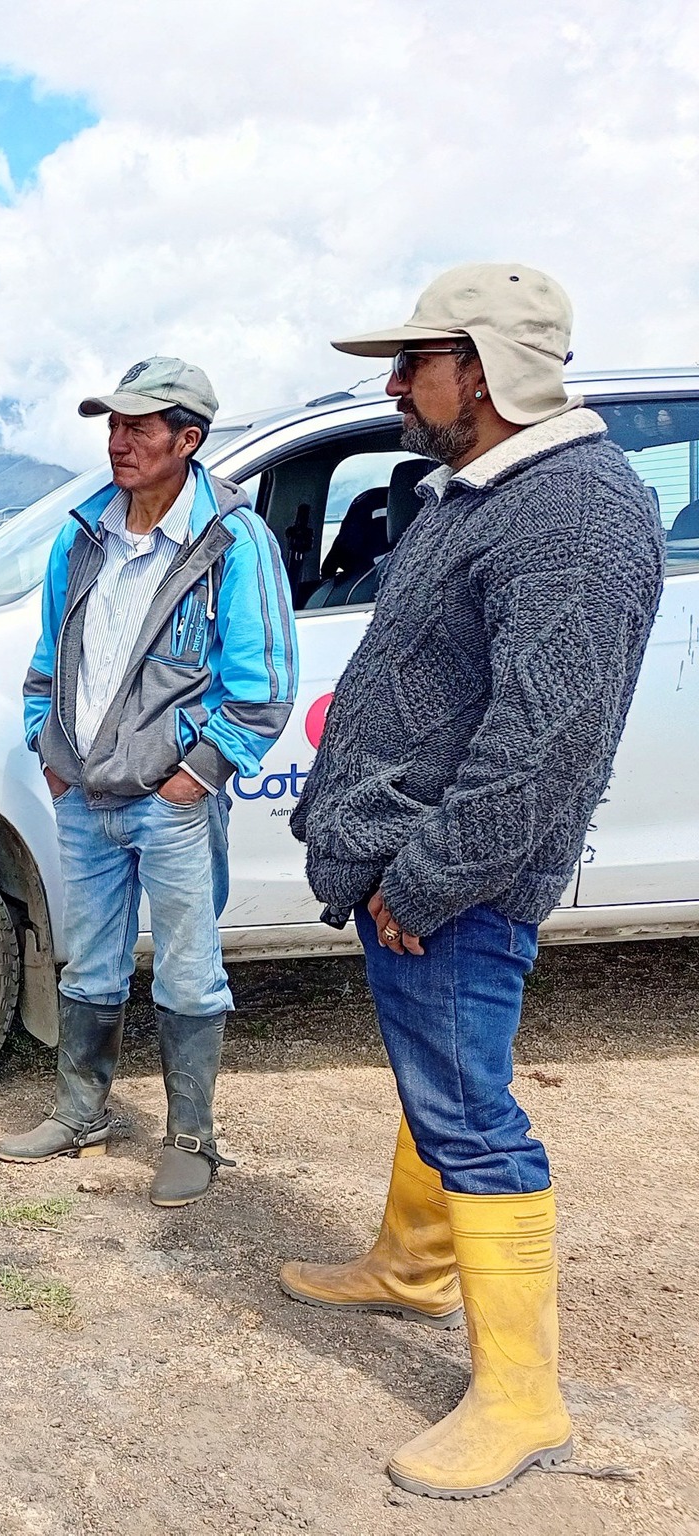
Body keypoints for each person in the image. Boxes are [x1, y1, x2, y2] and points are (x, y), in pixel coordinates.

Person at [284, 265, 664, 1499]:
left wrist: (429, 879)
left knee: (468, 1114)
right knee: (442, 1073)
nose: (393, 384)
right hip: (417, 860)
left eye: (414, 360)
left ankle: (521, 1399)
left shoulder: (572, 512)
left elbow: (546, 742)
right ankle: (410, 1268)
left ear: (487, 364)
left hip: (454, 879)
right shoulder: (486, 488)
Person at [0, 357, 297, 1208]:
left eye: (137, 426)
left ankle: (192, 1138)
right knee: (89, 962)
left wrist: (194, 777)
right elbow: (49, 657)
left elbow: (266, 687)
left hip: (172, 803)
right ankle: (81, 1111)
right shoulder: (83, 533)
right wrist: (48, 748)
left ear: (187, 439)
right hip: (84, 794)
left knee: (188, 971)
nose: (117, 441)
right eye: (113, 425)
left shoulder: (233, 541)